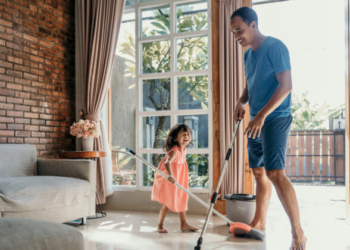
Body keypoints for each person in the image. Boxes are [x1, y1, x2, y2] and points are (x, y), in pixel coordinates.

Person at [230, 7, 307, 250]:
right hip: (256, 118)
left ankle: (298, 233)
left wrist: (262, 115)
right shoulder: (247, 55)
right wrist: (240, 102)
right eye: (233, 32)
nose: (236, 36)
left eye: (239, 30)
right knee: (258, 172)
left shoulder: (275, 47)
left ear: (254, 24)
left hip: (274, 117)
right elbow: (251, 84)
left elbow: (286, 86)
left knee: (275, 172)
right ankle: (259, 223)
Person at [151, 124, 199, 233]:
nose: (186, 135)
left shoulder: (183, 149)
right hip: (169, 178)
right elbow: (168, 162)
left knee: (182, 198)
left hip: (180, 177)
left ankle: (184, 224)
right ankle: (160, 225)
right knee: (167, 202)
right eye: (183, 134)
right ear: (175, 138)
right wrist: (171, 175)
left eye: (188, 134)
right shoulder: (174, 151)